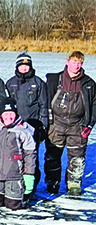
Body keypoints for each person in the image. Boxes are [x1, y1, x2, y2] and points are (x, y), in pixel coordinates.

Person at [44, 51, 96, 196]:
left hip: (78, 126)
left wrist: (89, 125)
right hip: (56, 124)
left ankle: (74, 184)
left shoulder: (89, 84)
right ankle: (52, 182)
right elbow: (46, 100)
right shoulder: (55, 80)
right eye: (74, 62)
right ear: (67, 62)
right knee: (53, 155)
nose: (76, 66)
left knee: (77, 157)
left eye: (79, 63)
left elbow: (94, 106)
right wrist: (48, 121)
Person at [6, 51, 48, 191]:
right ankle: (15, 184)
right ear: (17, 66)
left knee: (31, 157)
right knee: (15, 156)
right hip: (15, 126)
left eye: (26, 66)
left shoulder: (39, 83)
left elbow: (44, 105)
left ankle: (31, 187)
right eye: (21, 66)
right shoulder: (10, 83)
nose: (24, 68)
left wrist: (43, 127)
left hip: (32, 126)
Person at [0, 98, 36, 209]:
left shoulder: (24, 130)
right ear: (1, 115)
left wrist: (29, 175)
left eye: (11, 114)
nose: (9, 117)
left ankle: (23, 196)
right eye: (6, 114)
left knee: (13, 205)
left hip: (14, 173)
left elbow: (30, 154)